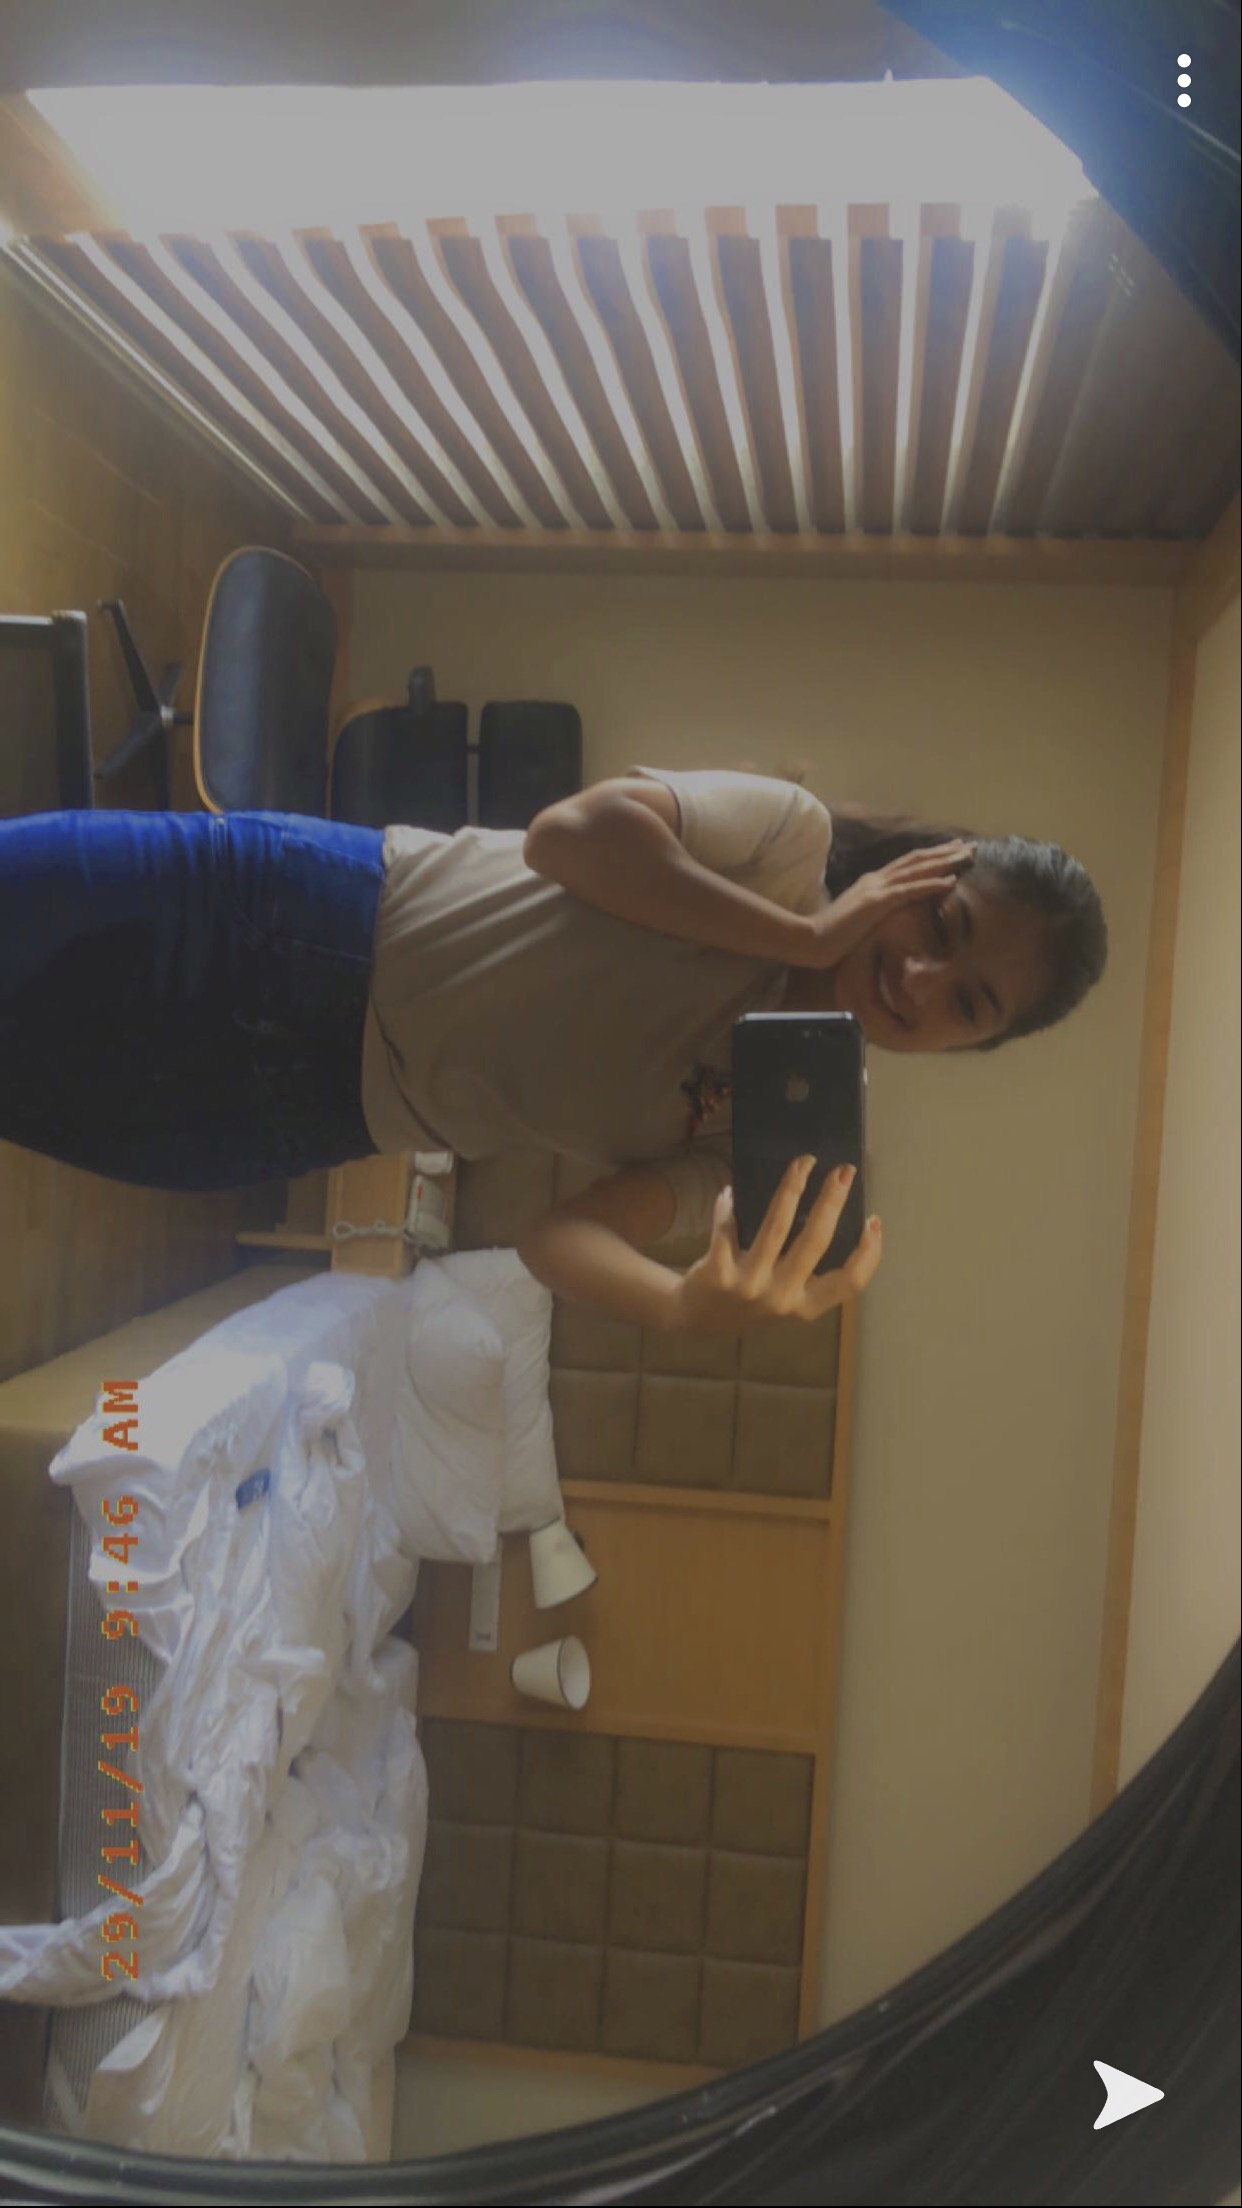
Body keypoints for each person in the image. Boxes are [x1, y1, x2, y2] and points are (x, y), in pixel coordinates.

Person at [0, 769, 1106, 1336]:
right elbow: (568, 840)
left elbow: (556, 1238)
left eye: (968, 1004)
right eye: (943, 924)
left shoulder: (769, 1132)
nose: (921, 979)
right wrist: (804, 939)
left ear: (967, 1047)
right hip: (293, 910)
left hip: (306, 1106)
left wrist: (683, 1307)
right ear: (927, 868)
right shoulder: (788, 842)